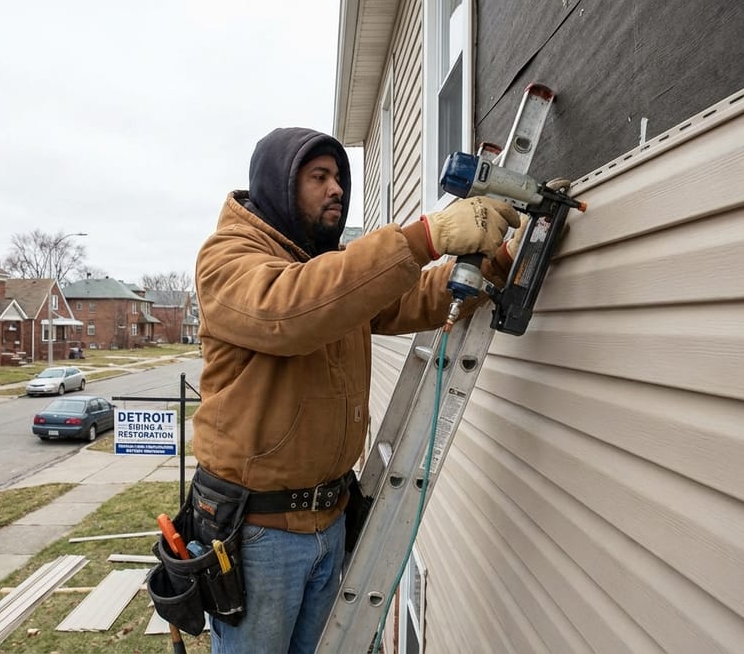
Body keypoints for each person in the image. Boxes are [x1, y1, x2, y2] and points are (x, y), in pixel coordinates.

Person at [192, 127, 520, 653]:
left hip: (333, 522)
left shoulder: (331, 267)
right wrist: (425, 236)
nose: (337, 189)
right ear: (278, 184)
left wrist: (501, 259)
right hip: (260, 536)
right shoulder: (227, 259)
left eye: (340, 178)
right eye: (319, 176)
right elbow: (290, 310)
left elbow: (414, 300)